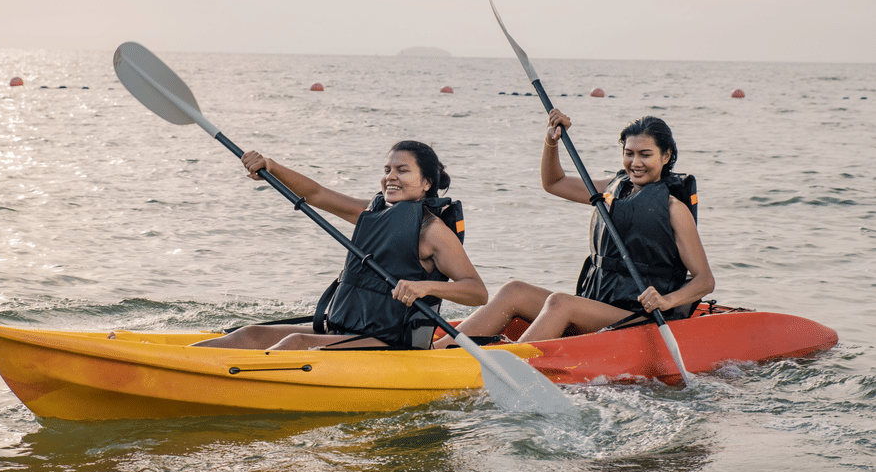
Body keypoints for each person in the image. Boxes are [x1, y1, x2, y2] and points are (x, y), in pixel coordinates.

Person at [435, 110, 714, 347]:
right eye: (628, 153)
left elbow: (704, 280)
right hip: (598, 303)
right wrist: (551, 142)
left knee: (561, 303)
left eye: (645, 154)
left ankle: (509, 366)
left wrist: (666, 301)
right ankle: (434, 352)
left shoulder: (674, 209)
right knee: (514, 291)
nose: (635, 163)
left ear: (666, 156)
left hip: (638, 315)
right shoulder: (611, 190)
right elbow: (553, 183)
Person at [192, 140, 488, 351]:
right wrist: (272, 167)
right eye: (387, 169)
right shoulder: (371, 213)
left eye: (403, 170)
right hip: (344, 330)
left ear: (426, 183)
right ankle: (180, 360)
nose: (390, 177)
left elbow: (477, 292)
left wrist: (426, 287)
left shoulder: (432, 230)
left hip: (390, 342)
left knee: (297, 344)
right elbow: (317, 194)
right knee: (252, 334)